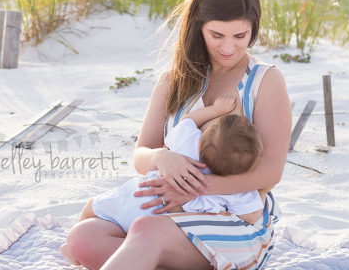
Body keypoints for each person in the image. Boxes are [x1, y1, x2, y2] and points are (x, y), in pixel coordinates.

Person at [0, 0, 292, 270]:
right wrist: (161, 159)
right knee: (84, 238)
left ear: (253, 29)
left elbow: (270, 172)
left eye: (240, 36)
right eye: (217, 35)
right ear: (198, 27)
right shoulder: (175, 81)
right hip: (167, 216)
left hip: (236, 223)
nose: (228, 47)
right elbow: (142, 153)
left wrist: (199, 188)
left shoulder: (265, 81)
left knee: (146, 230)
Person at [78, 94, 265, 235]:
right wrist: (262, 193)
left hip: (137, 197)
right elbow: (252, 215)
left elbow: (188, 120)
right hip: (158, 221)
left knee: (92, 208)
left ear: (203, 138)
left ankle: (75, 239)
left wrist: (215, 110)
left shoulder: (189, 144)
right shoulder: (233, 191)